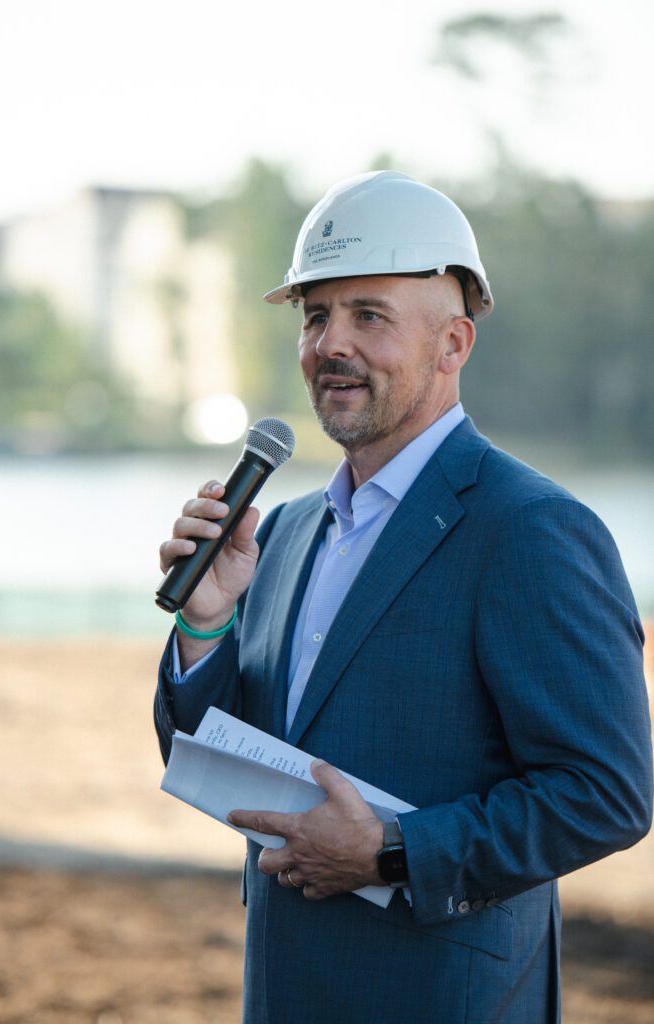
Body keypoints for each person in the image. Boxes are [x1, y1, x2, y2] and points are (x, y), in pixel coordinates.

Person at [154, 171, 652, 1023]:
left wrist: (390, 852)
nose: (329, 345)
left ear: (453, 343)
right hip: (284, 991)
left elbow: (605, 792)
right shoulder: (282, 532)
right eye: (316, 317)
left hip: (444, 998)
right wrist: (209, 625)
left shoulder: (529, 529)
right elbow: (209, 759)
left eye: (368, 316)